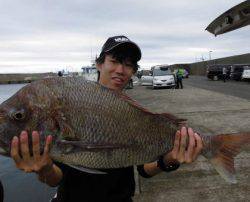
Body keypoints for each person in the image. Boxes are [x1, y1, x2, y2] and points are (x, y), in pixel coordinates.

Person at [10, 35, 203, 202]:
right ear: (99, 63)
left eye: (129, 65)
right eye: (115, 61)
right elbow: (57, 178)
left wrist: (170, 159)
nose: (121, 69)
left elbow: (144, 169)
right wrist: (44, 169)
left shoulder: (134, 113)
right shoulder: (72, 103)